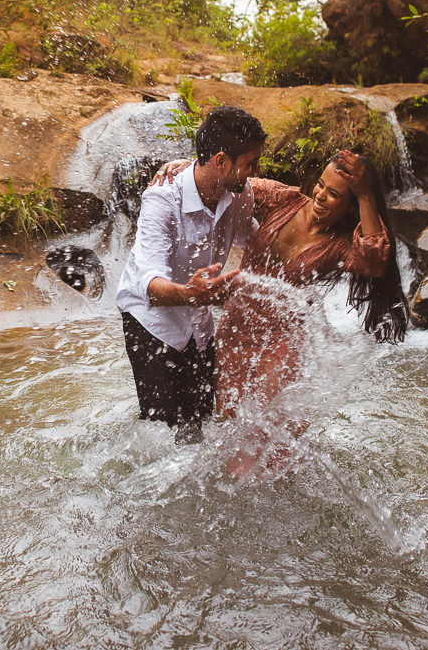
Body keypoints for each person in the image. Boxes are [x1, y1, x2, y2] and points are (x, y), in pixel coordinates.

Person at [151, 150, 408, 427]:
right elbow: (232, 178)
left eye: (334, 194)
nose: (320, 195)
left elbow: (375, 262)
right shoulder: (285, 200)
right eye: (320, 184)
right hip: (235, 329)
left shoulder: (340, 244)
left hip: (282, 338)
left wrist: (366, 194)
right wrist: (188, 167)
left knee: (266, 426)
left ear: (350, 206)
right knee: (229, 425)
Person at [115, 105, 266, 444]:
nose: (254, 172)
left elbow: (243, 243)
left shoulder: (241, 194)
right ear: (221, 161)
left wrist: (226, 285)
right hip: (149, 321)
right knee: (159, 436)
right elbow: (149, 284)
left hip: (199, 318)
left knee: (199, 423)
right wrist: (191, 294)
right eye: (250, 163)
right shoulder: (161, 199)